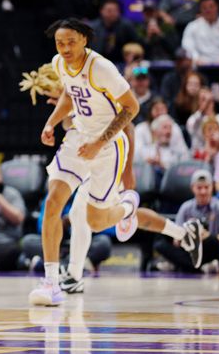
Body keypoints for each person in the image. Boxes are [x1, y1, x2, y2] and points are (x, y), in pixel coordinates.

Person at [29, 19, 203, 306]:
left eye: (71, 41)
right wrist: (52, 121)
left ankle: (147, 217)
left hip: (109, 148)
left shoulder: (103, 70)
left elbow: (131, 117)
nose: (65, 48)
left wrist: (128, 171)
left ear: (84, 40)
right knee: (58, 206)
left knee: (95, 218)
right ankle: (57, 281)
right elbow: (70, 96)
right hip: (79, 141)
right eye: (60, 43)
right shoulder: (60, 65)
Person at [155, 169, 219, 272]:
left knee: (212, 241)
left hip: (209, 247)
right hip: (189, 249)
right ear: (193, 188)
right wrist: (188, 235)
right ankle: (198, 266)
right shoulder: (185, 207)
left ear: (212, 187)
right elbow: (176, 241)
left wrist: (206, 235)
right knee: (160, 242)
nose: (203, 191)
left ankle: (180, 264)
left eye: (206, 187)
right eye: (199, 187)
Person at [88, 0, 139, 64]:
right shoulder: (93, 27)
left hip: (122, 62)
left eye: (115, 11)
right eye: (109, 11)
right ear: (101, 11)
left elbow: (137, 43)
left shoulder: (126, 26)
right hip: (98, 62)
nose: (113, 13)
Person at [187, 86, 219, 151]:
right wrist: (203, 107)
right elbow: (193, 126)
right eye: (203, 99)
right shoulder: (193, 119)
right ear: (198, 102)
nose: (208, 103)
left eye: (210, 100)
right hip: (201, 157)